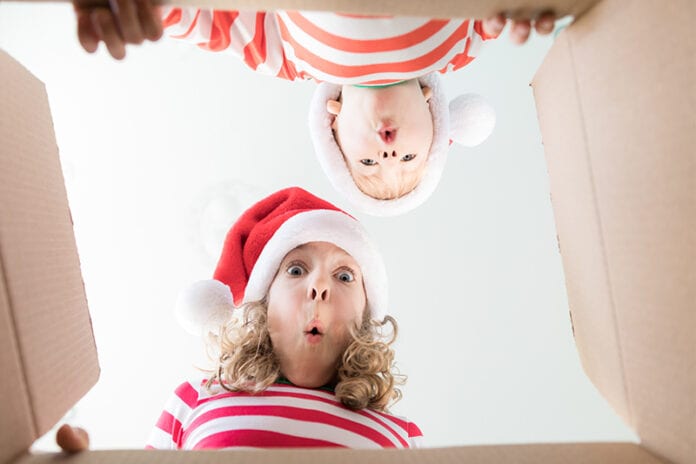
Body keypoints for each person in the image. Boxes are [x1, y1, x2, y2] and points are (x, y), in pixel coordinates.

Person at [72, 4, 556, 216]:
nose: (389, 156)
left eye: (365, 162)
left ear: (334, 120)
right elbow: (506, 11)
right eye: (410, 159)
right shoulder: (458, 47)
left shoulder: (292, 58)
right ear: (434, 114)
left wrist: (157, 10)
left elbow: (212, 20)